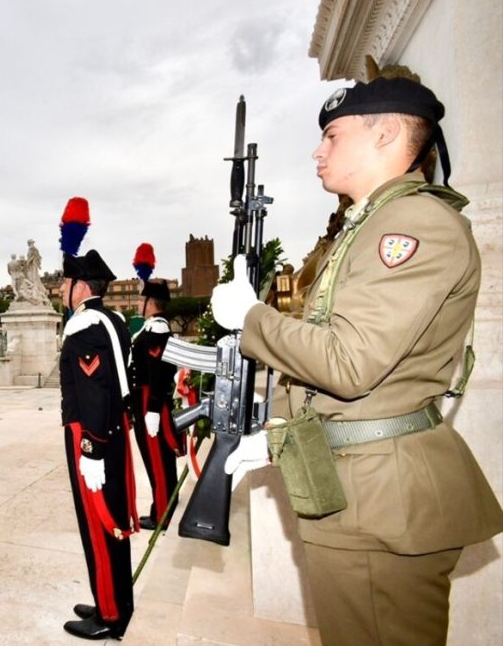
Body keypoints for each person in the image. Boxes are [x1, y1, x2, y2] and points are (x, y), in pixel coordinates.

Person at [210, 77, 503, 645]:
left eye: (332, 135)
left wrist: (251, 318)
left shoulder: (413, 226)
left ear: (386, 132)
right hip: (357, 488)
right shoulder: (370, 226)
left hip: (381, 504)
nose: (319, 151)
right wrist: (273, 440)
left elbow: (349, 361)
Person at [58, 246, 137, 640]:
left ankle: (109, 615)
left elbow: (93, 389)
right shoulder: (114, 319)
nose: (59, 289)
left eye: (64, 282)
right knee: (114, 520)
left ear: (80, 286)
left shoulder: (84, 326)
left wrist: (91, 448)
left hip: (92, 435)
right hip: (114, 429)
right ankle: (117, 599)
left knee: (99, 524)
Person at [127, 279, 184, 530]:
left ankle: (161, 513)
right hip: (148, 400)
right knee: (160, 458)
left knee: (156, 461)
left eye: (141, 300)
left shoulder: (156, 331)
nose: (139, 304)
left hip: (150, 401)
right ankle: (167, 503)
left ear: (151, 303)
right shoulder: (153, 329)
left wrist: (151, 410)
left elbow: (158, 373)